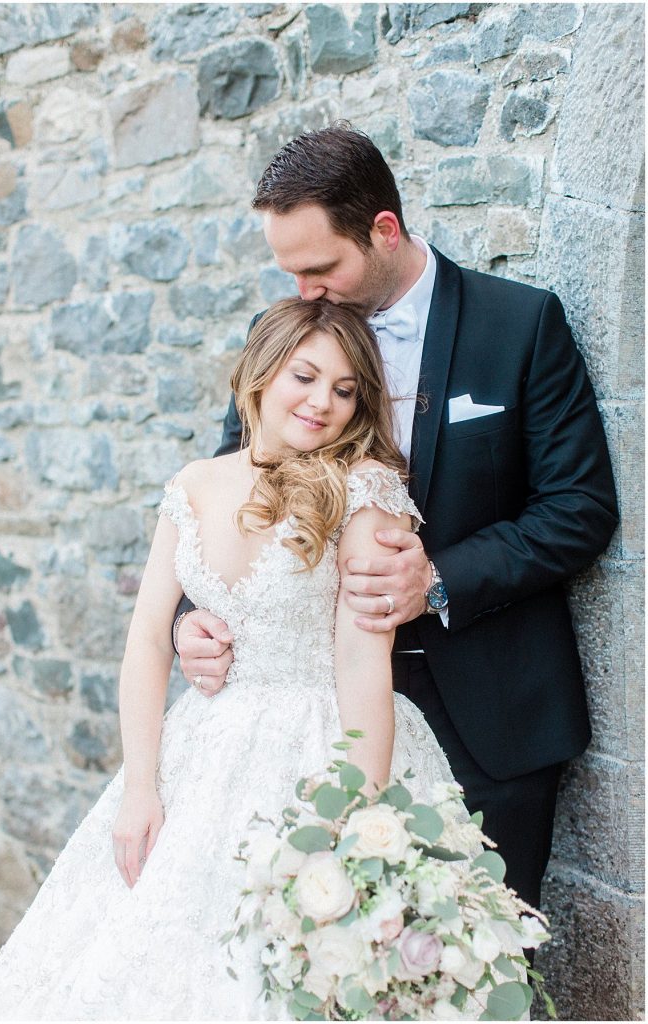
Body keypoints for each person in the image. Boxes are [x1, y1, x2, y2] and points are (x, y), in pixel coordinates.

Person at [0, 298, 482, 1021]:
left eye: (343, 390)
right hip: (203, 748)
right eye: (305, 376)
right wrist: (140, 788)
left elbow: (364, 662)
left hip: (326, 745)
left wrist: (359, 826)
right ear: (259, 374)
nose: (322, 403)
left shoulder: (364, 491)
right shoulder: (193, 485)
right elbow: (148, 638)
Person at [172, 124, 619, 912]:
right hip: (317, 716)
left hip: (487, 714)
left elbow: (578, 508)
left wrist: (438, 578)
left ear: (382, 230)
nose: (304, 291)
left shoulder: (519, 325)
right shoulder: (282, 338)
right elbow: (228, 493)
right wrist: (193, 615)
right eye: (290, 271)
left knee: (474, 965)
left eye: (320, 267)